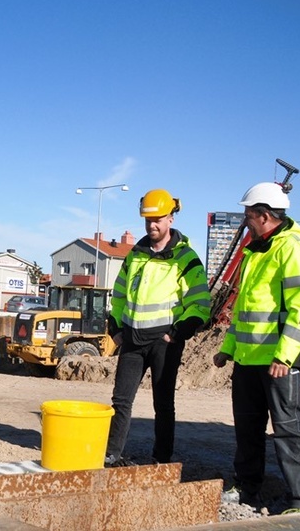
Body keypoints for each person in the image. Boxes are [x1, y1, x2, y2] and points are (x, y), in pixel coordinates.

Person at [213, 182, 300, 513]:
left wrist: (285, 355)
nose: (245, 221)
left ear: (263, 216)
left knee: (288, 432)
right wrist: (228, 348)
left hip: (278, 361)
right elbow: (245, 309)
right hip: (247, 358)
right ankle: (247, 487)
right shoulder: (256, 251)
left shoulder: (293, 248)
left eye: (248, 215)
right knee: (247, 429)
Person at [104, 188, 211, 467]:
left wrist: (177, 333)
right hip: (132, 339)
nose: (152, 225)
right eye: (148, 220)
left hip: (165, 341)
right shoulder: (135, 255)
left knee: (163, 404)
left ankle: (162, 458)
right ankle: (112, 454)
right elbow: (118, 294)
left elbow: (200, 301)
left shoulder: (186, 258)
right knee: (121, 400)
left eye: (158, 220)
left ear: (171, 219)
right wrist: (115, 326)